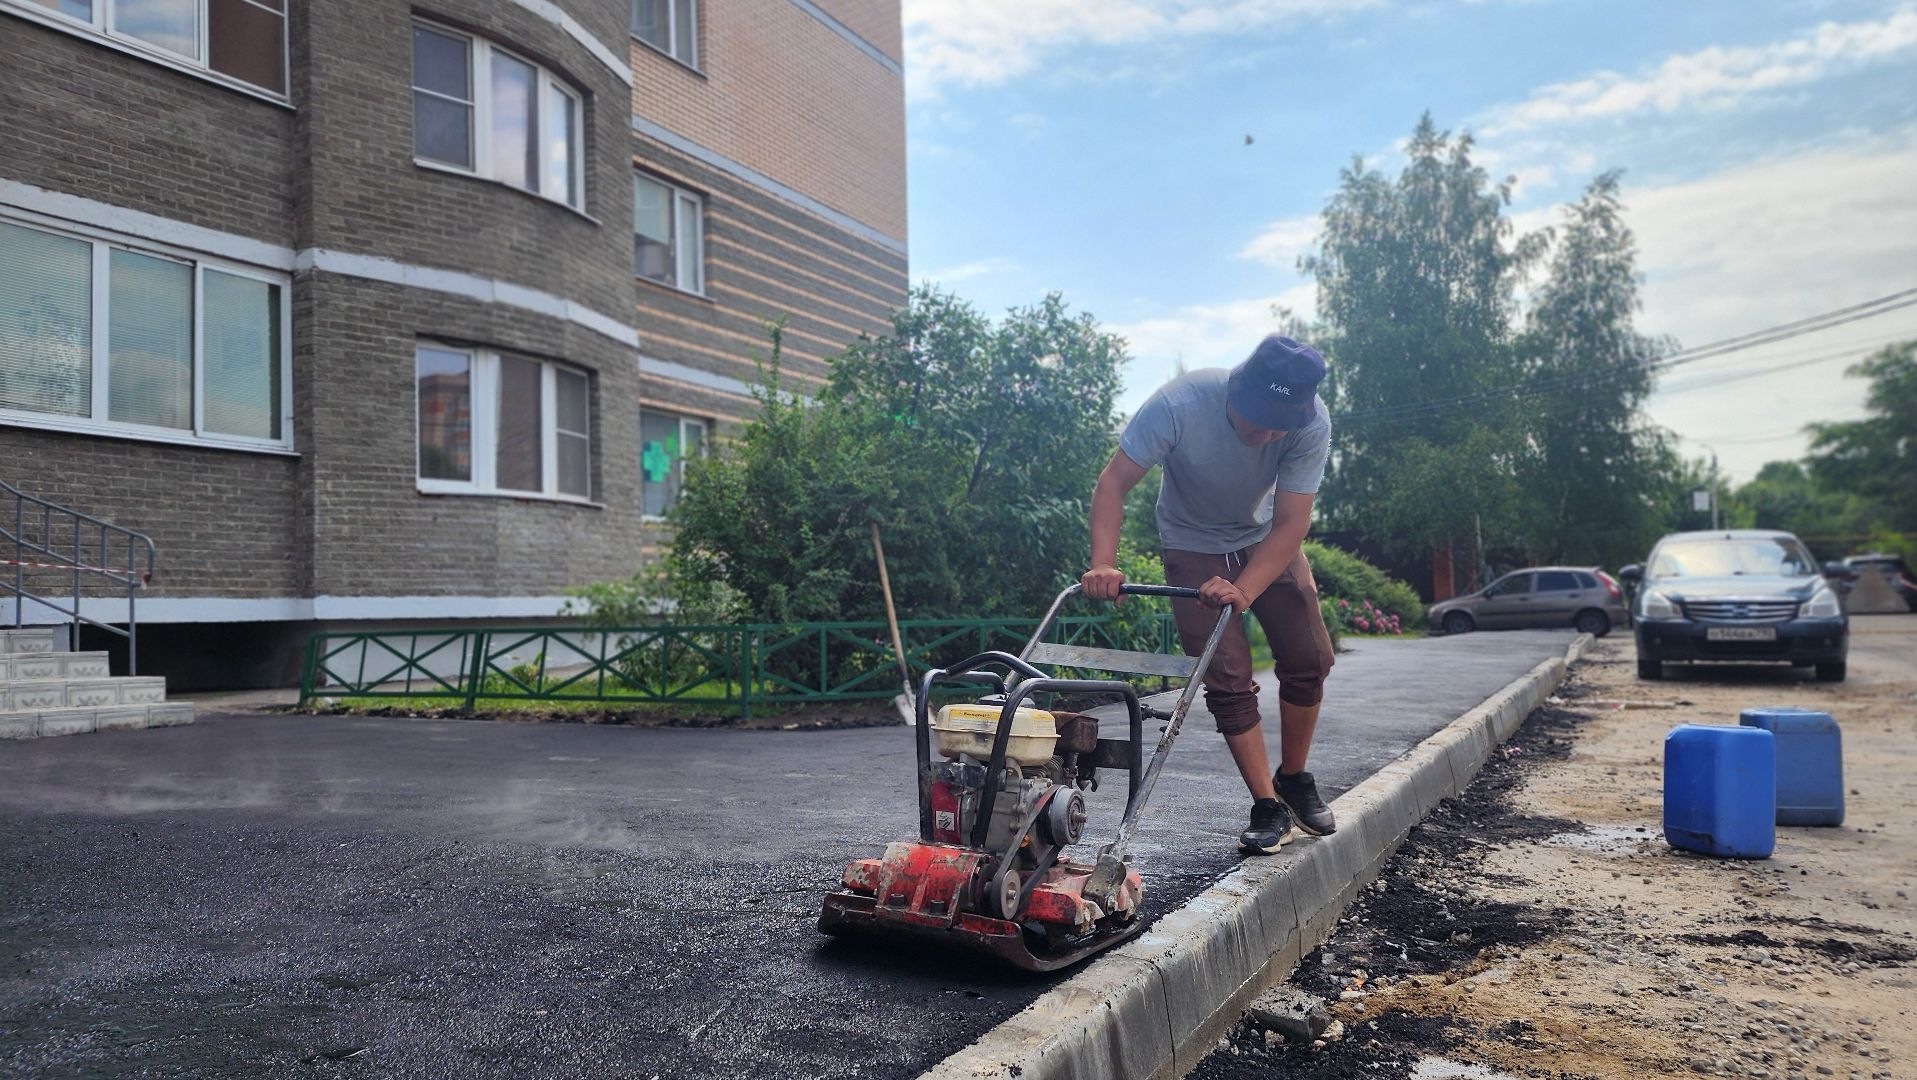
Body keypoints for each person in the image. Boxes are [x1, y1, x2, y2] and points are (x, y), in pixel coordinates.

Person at [1081, 334, 1338, 854]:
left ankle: (1294, 778)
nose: (1265, 435)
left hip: (1265, 540)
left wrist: (1243, 588)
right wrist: (1104, 563)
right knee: (1224, 675)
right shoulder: (1178, 405)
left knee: (1310, 656)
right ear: (1235, 389)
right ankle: (1267, 804)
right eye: (1256, 418)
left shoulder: (1310, 423)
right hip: (1192, 542)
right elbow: (1112, 483)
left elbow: (1290, 523)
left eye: (1278, 425)